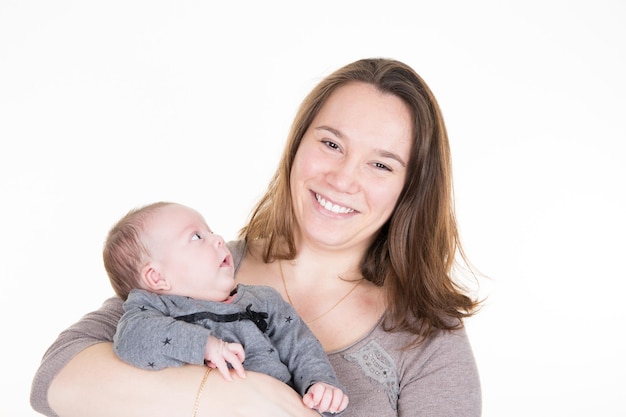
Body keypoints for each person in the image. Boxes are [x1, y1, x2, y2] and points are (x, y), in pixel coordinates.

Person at [31, 57, 482, 417]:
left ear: (411, 188)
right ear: (296, 146)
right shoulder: (199, 269)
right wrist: (227, 399)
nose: (343, 178)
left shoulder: (426, 336)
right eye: (330, 144)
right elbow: (54, 380)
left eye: (381, 164)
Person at [105, 201, 348, 415]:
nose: (218, 239)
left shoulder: (263, 300)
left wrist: (319, 384)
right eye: (196, 237)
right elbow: (131, 338)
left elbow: (300, 344)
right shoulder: (154, 308)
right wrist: (205, 345)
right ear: (157, 278)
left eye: (210, 231)